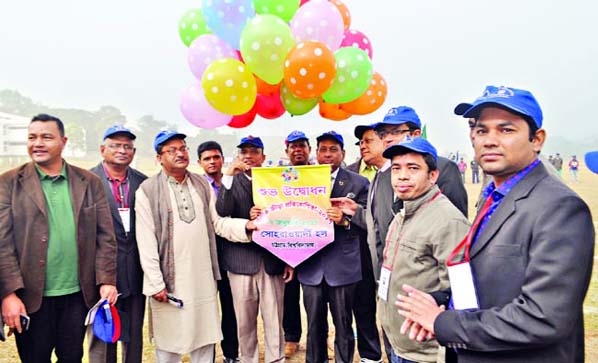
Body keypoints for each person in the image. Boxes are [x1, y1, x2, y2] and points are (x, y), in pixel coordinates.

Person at [396, 85, 594, 363]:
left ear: (537, 139)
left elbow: (543, 317)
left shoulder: (559, 208)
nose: (489, 140)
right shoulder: (495, 194)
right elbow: (490, 278)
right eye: (480, 130)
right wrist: (442, 301)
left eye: (506, 130)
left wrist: (443, 322)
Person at [0, 113, 118, 363]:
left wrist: (106, 280)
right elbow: (2, 244)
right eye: (32, 137)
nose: (38, 143)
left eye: (46, 137)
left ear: (63, 141)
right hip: (30, 298)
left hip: (77, 296)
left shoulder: (89, 181)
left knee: (72, 357)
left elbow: (105, 237)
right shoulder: (9, 183)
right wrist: (8, 295)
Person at [136, 131, 255, 363]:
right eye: (172, 150)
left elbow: (217, 223)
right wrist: (155, 282)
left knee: (204, 338)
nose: (180, 153)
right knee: (169, 342)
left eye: (183, 148)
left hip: (202, 277)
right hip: (169, 281)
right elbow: (146, 240)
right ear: (159, 158)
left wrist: (248, 226)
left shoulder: (201, 183)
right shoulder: (148, 191)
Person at [378, 137, 470, 363]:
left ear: (433, 175)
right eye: (396, 168)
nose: (402, 176)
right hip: (398, 343)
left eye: (413, 168)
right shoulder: (402, 215)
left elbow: (461, 295)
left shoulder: (448, 221)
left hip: (426, 353)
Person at [216, 136, 294, 363]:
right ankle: (247, 358)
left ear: (263, 157)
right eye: (244, 152)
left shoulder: (275, 181)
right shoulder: (232, 181)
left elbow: (287, 219)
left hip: (272, 261)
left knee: (274, 320)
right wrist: (228, 176)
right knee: (245, 322)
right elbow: (222, 209)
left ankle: (275, 359)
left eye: (253, 152)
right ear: (238, 156)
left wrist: (289, 258)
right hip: (240, 262)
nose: (248, 156)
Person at [297, 131, 369, 363]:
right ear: (315, 153)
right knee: (314, 326)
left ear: (343, 153)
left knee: (343, 324)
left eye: (333, 150)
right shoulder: (299, 179)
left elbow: (369, 222)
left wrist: (345, 221)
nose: (327, 154)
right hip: (310, 266)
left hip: (343, 267)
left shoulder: (359, 183)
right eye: (323, 149)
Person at [89, 125, 148, 363]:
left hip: (135, 272)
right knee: (104, 337)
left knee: (133, 336)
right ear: (103, 149)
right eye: (115, 145)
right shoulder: (87, 181)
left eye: (127, 146)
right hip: (99, 275)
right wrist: (101, 277)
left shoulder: (143, 182)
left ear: (133, 152)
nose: (122, 150)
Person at [197, 140, 240, 363]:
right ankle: (206, 356)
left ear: (223, 158)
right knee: (206, 310)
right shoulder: (196, 187)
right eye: (207, 158)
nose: (212, 162)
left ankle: (231, 354)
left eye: (216, 157)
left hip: (231, 255)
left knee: (230, 308)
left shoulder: (234, 181)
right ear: (200, 163)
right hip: (205, 257)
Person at [346, 124, 385, 363]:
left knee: (376, 310)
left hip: (378, 256)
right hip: (355, 255)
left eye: (368, 141)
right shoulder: (350, 172)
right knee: (355, 310)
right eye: (361, 142)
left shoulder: (392, 174)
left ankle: (374, 354)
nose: (363, 146)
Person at [280, 130, 311, 358]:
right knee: (289, 296)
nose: (297, 149)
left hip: (315, 246)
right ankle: (291, 338)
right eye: (293, 146)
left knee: (317, 299)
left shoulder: (321, 174)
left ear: (309, 150)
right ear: (287, 151)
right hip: (287, 246)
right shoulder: (278, 176)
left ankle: (320, 337)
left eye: (302, 145)